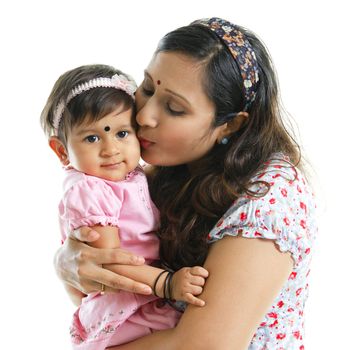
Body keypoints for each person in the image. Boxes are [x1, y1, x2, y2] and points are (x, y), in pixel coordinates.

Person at [53, 18, 317, 349]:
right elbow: (102, 300)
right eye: (147, 87)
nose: (144, 115)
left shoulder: (269, 200)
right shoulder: (165, 169)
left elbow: (201, 345)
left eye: (175, 108)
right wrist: (65, 261)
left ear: (230, 125)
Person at [40, 64, 209, 349]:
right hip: (128, 308)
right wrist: (167, 283)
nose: (110, 149)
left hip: (145, 293)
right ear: (61, 150)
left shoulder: (132, 176)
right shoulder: (90, 190)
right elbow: (111, 264)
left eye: (122, 133)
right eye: (92, 138)